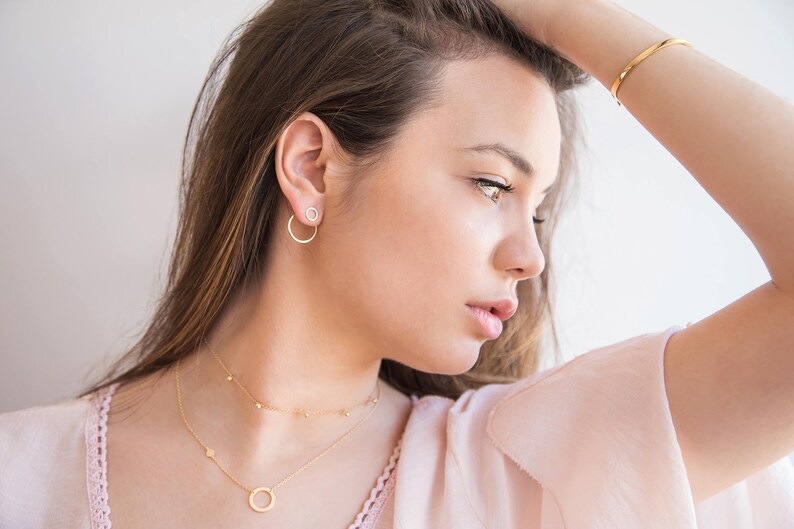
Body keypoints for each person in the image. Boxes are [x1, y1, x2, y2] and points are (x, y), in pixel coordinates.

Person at [2, 0, 793, 527]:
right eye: (491, 184)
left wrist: (564, 15)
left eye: (539, 207)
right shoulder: (23, 474)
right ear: (313, 167)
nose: (530, 256)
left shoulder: (523, 474)